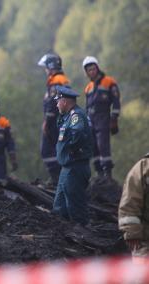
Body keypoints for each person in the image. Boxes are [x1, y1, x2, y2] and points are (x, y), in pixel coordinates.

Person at [52, 86, 93, 226]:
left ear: (64, 101)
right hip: (67, 168)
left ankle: (84, 238)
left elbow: (78, 133)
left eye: (58, 101)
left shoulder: (76, 115)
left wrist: (72, 149)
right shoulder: (67, 116)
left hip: (76, 167)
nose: (56, 104)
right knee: (59, 207)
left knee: (75, 208)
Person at [83, 56, 121, 179]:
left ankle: (108, 175)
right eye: (89, 70)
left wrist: (114, 119)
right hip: (91, 120)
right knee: (94, 147)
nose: (92, 71)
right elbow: (86, 107)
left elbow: (116, 102)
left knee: (103, 145)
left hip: (103, 118)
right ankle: (99, 175)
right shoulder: (88, 87)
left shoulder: (109, 82)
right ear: (86, 72)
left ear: (97, 68)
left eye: (93, 69)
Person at [37, 53, 70, 186]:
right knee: (58, 149)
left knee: (46, 150)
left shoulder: (56, 81)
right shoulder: (61, 79)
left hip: (54, 121)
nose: (45, 70)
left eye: (46, 67)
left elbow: (53, 103)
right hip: (60, 120)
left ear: (51, 66)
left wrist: (47, 121)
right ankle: (60, 178)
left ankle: (56, 178)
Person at [118, 153, 149, 263]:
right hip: (145, 241)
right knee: (143, 276)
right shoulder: (142, 168)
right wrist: (132, 233)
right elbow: (129, 203)